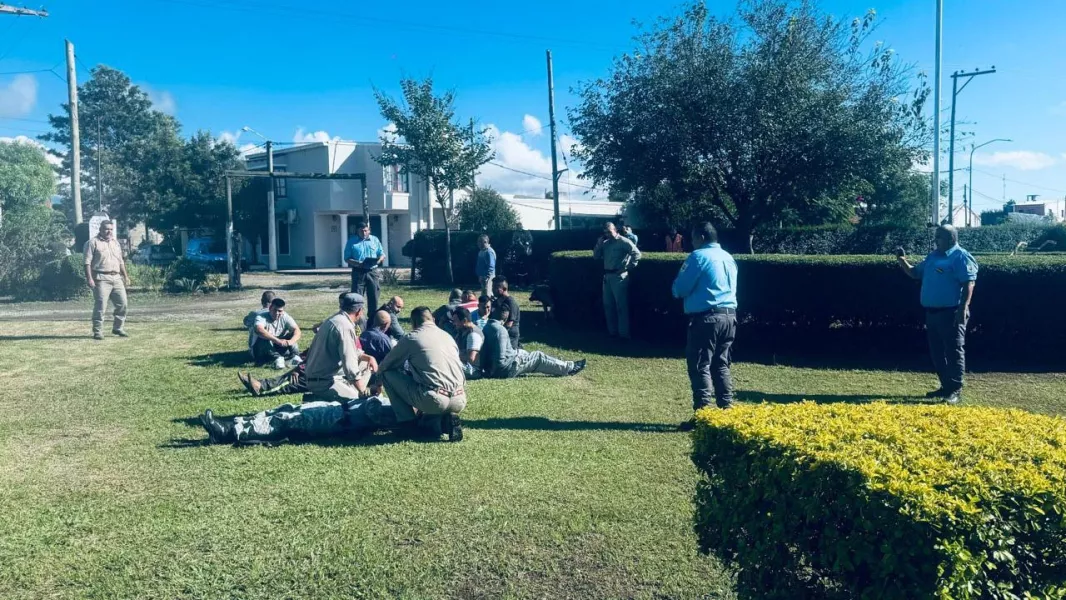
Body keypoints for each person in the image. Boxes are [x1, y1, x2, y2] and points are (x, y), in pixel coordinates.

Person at [896, 225, 978, 405]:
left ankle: (955, 390)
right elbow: (915, 273)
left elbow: (969, 283)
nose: (935, 240)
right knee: (937, 352)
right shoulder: (933, 256)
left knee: (954, 351)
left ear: (951, 239)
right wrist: (902, 260)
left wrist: (963, 308)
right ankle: (946, 386)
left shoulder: (961, 256)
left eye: (939, 236)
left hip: (951, 313)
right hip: (932, 313)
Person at [672, 222, 738, 430]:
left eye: (692, 238)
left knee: (700, 364)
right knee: (721, 364)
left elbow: (680, 288)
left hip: (707, 318)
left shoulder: (698, 257)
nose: (691, 242)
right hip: (729, 316)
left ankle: (703, 414)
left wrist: (676, 288)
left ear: (701, 237)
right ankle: (727, 412)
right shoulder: (728, 257)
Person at [377, 306, 465, 442]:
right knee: (426, 422)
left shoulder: (412, 338)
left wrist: (376, 381)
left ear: (413, 322)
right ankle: (444, 422)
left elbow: (386, 365)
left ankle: (407, 423)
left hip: (434, 398)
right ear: (433, 319)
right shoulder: (447, 336)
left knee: (387, 374)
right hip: (459, 398)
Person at [198, 395, 397, 445]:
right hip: (338, 408)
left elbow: (373, 413)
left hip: (339, 419)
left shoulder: (398, 411)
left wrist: (372, 397)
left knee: (285, 420)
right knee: (286, 409)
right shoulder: (400, 403)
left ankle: (226, 433)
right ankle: (235, 423)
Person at [304, 293, 377, 401]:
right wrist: (363, 392)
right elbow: (350, 365)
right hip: (324, 382)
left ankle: (344, 391)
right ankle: (317, 398)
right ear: (359, 311)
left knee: (365, 363)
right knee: (356, 402)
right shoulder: (344, 327)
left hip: (320, 377)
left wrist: (369, 357)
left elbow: (349, 351)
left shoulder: (335, 319)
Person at [480, 304, 586, 379]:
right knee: (538, 357)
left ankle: (563, 364)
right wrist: (495, 372)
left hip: (496, 366)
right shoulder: (500, 331)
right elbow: (500, 361)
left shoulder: (487, 327)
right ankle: (569, 368)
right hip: (506, 370)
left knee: (523, 353)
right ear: (505, 317)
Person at [592, 221, 641, 339]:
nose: (608, 234)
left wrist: (627, 267)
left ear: (615, 230)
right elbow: (595, 256)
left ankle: (623, 334)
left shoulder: (623, 241)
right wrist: (598, 244)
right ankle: (612, 333)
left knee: (621, 306)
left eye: (609, 232)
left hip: (619, 277)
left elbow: (637, 254)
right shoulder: (605, 243)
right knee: (608, 305)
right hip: (607, 277)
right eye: (605, 233)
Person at [83, 220, 130, 340]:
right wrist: (89, 278)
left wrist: (126, 276)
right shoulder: (92, 243)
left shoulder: (115, 243)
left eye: (111, 229)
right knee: (101, 306)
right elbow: (87, 262)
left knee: (123, 304)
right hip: (101, 278)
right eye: (106, 229)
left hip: (117, 278)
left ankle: (118, 328)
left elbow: (121, 261)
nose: (109, 231)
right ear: (100, 229)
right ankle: (98, 331)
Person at [343, 222, 385, 317]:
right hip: (358, 272)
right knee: (357, 297)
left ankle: (372, 319)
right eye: (361, 231)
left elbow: (382, 254)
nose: (364, 233)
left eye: (366, 230)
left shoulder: (375, 240)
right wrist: (358, 263)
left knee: (374, 296)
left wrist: (378, 261)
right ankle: (358, 319)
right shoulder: (351, 241)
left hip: (372, 272)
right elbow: (347, 258)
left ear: (369, 230)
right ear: (357, 231)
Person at [251, 297, 303, 369]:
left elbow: (297, 330)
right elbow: (258, 329)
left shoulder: (285, 316)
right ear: (270, 308)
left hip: (278, 347)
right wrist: (277, 341)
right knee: (263, 337)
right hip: (261, 351)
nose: (277, 313)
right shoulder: (261, 317)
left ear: (283, 311)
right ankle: (277, 359)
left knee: (292, 334)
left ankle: (294, 357)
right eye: (275, 310)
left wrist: (290, 342)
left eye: (280, 311)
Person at [451, 307, 485, 380]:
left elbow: (471, 359)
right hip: (462, 365)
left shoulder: (473, 335)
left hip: (473, 370)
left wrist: (452, 356)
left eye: (455, 321)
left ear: (464, 320)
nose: (453, 324)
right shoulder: (462, 331)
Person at [491, 277, 521, 349]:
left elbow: (509, 324)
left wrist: (499, 334)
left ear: (504, 289)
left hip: (510, 335)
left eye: (496, 287)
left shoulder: (511, 302)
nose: (493, 290)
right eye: (493, 287)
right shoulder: (497, 301)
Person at [476, 234, 497, 299]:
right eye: (478, 242)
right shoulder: (481, 251)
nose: (478, 244)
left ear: (485, 242)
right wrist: (479, 275)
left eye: (480, 242)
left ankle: (490, 304)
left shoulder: (489, 252)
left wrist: (487, 276)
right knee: (485, 292)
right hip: (482, 275)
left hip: (488, 276)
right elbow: (479, 264)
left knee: (487, 293)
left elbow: (491, 265)